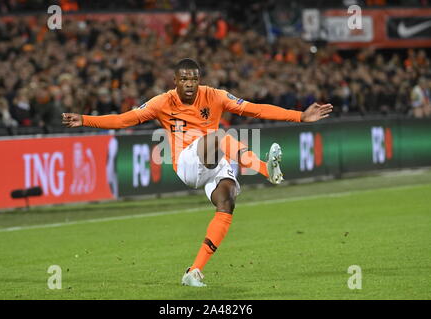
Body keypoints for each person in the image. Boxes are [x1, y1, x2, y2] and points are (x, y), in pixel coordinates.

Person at [62, 58, 333, 287]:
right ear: (175, 81)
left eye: (194, 79)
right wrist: (85, 120)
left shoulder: (215, 95)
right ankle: (266, 170)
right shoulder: (161, 102)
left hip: (213, 164)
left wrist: (300, 116)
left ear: (199, 79)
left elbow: (255, 109)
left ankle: (193, 271)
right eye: (184, 79)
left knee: (226, 202)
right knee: (218, 136)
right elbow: (123, 120)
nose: (189, 84)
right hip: (188, 163)